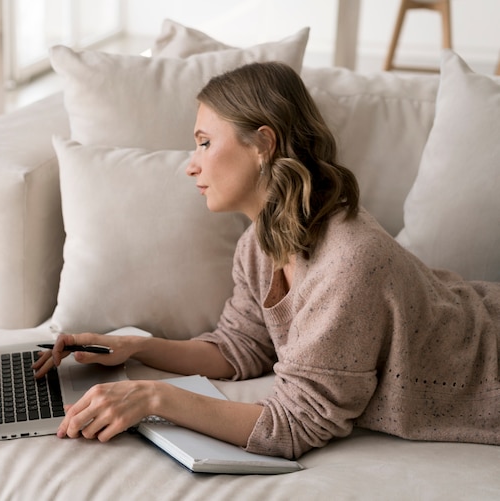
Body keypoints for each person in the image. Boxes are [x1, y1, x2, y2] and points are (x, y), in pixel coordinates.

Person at [33, 62, 500, 460]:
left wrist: (154, 396)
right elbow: (240, 349)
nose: (190, 164)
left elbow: (295, 425)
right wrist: (136, 347)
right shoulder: (261, 243)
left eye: (204, 143)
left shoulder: (348, 261)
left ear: (262, 144)